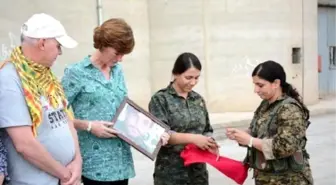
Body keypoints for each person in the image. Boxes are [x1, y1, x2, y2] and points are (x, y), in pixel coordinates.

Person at [61, 18, 169, 185]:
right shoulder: (75, 73)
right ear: (103, 45)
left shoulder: (117, 71)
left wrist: (153, 132)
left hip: (120, 163)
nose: (120, 59)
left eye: (123, 54)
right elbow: (56, 117)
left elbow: (125, 111)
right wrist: (89, 126)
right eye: (117, 53)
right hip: (94, 165)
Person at [0, 13, 82, 185]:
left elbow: (66, 117)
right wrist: (64, 174)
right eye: (58, 46)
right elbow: (24, 144)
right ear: (42, 43)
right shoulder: (9, 79)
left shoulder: (47, 76)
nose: (60, 52)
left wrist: (77, 161)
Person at [226, 60, 314, 185]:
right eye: (255, 84)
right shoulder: (266, 104)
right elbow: (258, 131)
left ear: (276, 83)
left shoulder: (290, 108)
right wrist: (242, 135)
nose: (256, 90)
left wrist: (250, 141)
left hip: (289, 180)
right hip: (267, 178)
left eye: (260, 85)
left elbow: (285, 146)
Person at [148, 52, 219, 185]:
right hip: (171, 174)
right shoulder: (161, 99)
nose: (193, 82)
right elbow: (161, 135)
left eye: (197, 78)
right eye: (188, 77)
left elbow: (207, 130)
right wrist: (194, 139)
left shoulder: (198, 100)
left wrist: (210, 143)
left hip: (198, 174)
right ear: (175, 74)